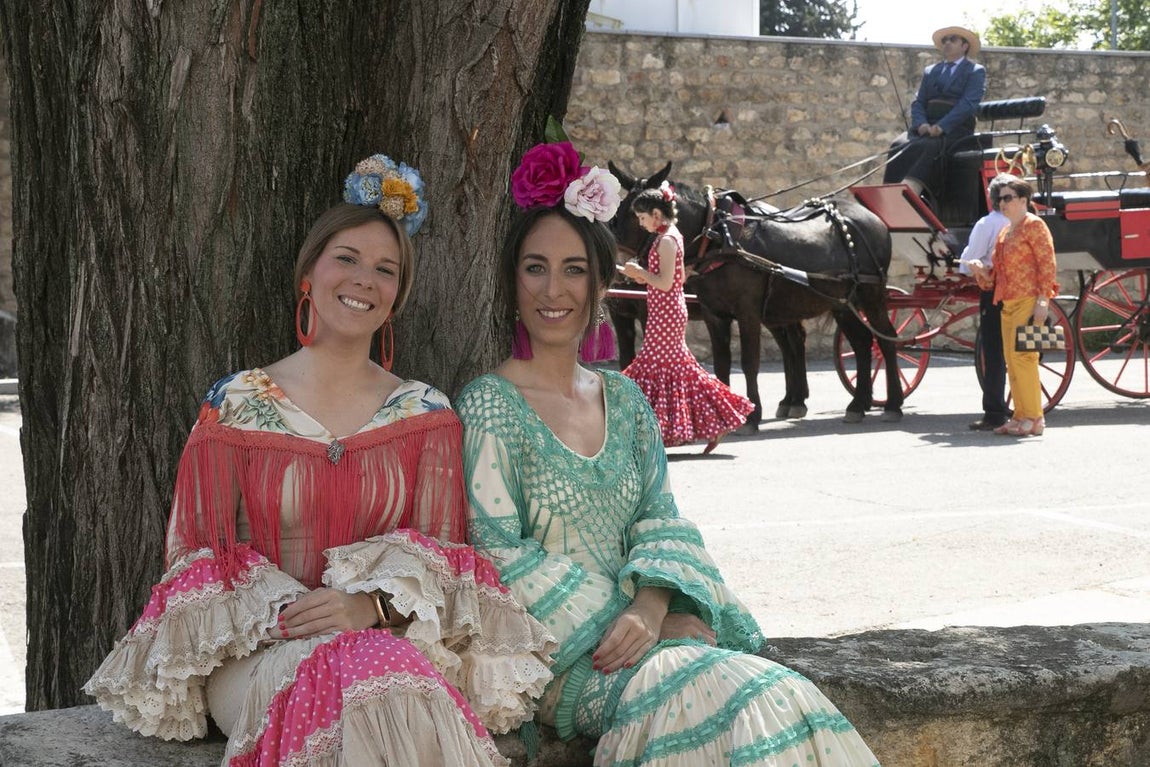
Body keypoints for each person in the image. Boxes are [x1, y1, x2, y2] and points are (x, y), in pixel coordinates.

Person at [83, 155, 555, 767]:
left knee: (384, 675)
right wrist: (284, 612)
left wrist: (371, 608)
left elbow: (443, 560)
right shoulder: (239, 405)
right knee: (374, 681)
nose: (365, 279)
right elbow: (196, 557)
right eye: (347, 259)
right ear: (309, 272)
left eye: (386, 270)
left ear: (396, 298)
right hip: (260, 653)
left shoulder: (422, 412)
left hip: (383, 647)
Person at [455, 140, 880, 766]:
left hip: (655, 634)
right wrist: (624, 623)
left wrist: (654, 605)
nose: (554, 289)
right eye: (535, 267)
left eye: (575, 269)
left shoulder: (625, 401)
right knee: (735, 694)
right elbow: (497, 554)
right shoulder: (487, 406)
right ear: (511, 280)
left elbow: (661, 516)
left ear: (602, 282)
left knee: (780, 693)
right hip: (566, 656)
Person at [620, 184, 754, 453]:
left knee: (658, 367)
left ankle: (653, 430)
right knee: (675, 369)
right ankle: (718, 420)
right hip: (666, 310)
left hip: (666, 313)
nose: (642, 224)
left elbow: (666, 281)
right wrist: (643, 275)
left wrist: (640, 274)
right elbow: (680, 277)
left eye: (643, 218)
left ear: (657, 214)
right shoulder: (673, 236)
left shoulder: (666, 241)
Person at [989, 175, 1058, 437]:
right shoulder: (1007, 231)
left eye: (1007, 198)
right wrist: (979, 271)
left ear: (1022, 200)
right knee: (1013, 361)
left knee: (1025, 359)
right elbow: (997, 272)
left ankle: (1035, 418)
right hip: (1009, 302)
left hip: (1029, 300)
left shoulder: (1034, 225)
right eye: (1000, 199)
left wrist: (1043, 300)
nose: (1002, 203)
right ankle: (1020, 415)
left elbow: (1047, 264)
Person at [883, 25, 987, 200]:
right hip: (927, 126)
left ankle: (910, 191)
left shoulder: (975, 71)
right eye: (945, 40)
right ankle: (888, 193)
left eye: (952, 39)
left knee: (930, 146)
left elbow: (967, 104)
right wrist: (921, 124)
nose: (947, 43)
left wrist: (942, 126)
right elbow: (918, 101)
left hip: (956, 129)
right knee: (898, 144)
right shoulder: (931, 71)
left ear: (964, 46)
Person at [958, 174, 1013, 431]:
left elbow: (968, 264)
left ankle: (994, 411)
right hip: (1020, 289)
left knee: (993, 351)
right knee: (1020, 348)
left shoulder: (987, 224)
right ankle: (1026, 407)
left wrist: (967, 265)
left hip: (993, 290)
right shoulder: (1025, 222)